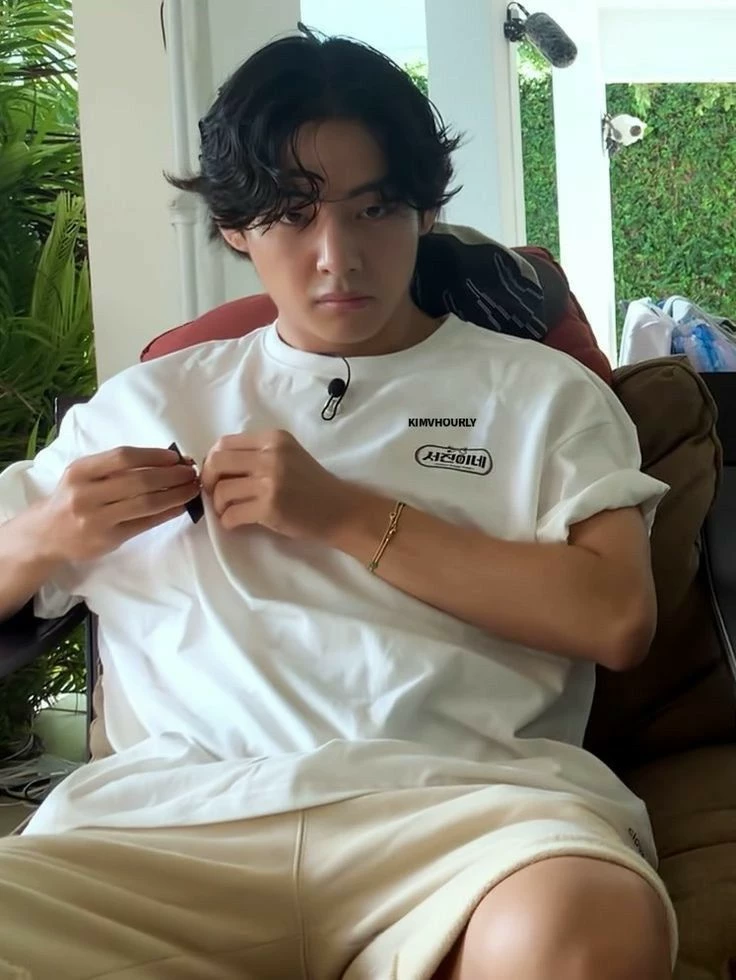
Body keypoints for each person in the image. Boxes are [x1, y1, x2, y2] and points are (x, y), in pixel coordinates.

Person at [0, 27, 676, 980]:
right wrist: (43, 534)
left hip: (467, 823)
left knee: (584, 930)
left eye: (375, 209)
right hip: (166, 833)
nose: (337, 257)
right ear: (235, 226)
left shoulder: (541, 394)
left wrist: (344, 516)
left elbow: (615, 618)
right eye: (292, 215)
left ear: (426, 210)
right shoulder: (148, 403)